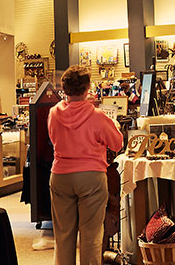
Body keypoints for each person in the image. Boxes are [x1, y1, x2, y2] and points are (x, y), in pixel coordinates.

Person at [47, 65, 123, 265]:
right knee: (91, 236)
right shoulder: (97, 116)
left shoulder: (54, 113)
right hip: (91, 177)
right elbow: (117, 143)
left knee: (63, 235)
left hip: (60, 175)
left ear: (64, 89)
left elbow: (54, 139)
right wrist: (114, 126)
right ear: (88, 88)